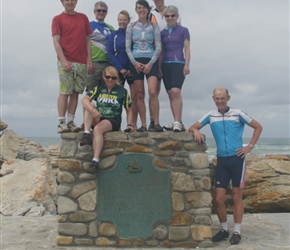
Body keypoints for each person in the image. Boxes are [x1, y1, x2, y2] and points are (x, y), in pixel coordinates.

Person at [188, 87, 263, 245]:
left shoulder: (238, 113)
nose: (220, 101)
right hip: (221, 161)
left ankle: (237, 231)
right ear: (213, 99)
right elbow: (192, 127)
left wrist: (249, 146)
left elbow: (258, 127)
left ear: (228, 98)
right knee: (219, 199)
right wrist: (196, 131)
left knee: (236, 196)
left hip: (237, 160)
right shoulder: (210, 115)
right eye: (217, 98)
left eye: (222, 98)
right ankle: (224, 229)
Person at [80, 66, 133, 174]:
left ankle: (95, 161)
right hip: (99, 116)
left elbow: (129, 110)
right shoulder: (99, 88)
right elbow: (84, 99)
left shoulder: (122, 91)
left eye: (113, 78)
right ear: (104, 77)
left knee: (98, 129)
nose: (110, 80)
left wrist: (130, 124)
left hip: (113, 120)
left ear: (116, 79)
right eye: (108, 77)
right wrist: (92, 110)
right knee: (88, 104)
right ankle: (86, 134)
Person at [52, 0, 92, 133]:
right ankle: (61, 122)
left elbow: (87, 40)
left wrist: (89, 59)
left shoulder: (83, 18)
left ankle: (70, 121)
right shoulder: (57, 19)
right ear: (62, 2)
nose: (70, 2)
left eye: (72, 0)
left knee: (76, 92)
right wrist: (63, 61)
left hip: (81, 61)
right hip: (65, 60)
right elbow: (56, 42)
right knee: (65, 91)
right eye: (67, 0)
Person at [126, 0, 163, 132]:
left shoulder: (154, 26)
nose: (141, 10)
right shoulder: (131, 26)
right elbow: (127, 47)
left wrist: (150, 64)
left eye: (143, 8)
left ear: (148, 10)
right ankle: (143, 125)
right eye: (139, 8)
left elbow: (158, 46)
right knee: (139, 94)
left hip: (150, 61)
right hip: (136, 62)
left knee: (153, 92)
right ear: (136, 10)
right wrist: (134, 63)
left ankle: (156, 123)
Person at [148, 0, 183, 131]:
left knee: (174, 92)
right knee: (153, 91)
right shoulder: (150, 13)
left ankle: (178, 121)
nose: (158, 1)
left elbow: (178, 36)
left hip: (172, 59)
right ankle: (153, 121)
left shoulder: (172, 12)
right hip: (154, 56)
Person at [160, 5, 190, 132]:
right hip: (165, 64)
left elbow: (187, 49)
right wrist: (159, 67)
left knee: (176, 92)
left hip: (178, 63)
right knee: (170, 93)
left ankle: (177, 121)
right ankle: (177, 121)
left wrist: (187, 65)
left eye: (173, 15)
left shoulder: (183, 30)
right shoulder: (162, 33)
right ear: (164, 17)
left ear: (177, 16)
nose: (170, 18)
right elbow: (161, 51)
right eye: (167, 16)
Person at [107, 10, 136, 131]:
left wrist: (129, 68)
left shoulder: (133, 34)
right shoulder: (114, 35)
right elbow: (110, 53)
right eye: (120, 19)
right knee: (116, 97)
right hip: (118, 69)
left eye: (124, 19)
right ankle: (115, 125)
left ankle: (132, 125)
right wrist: (121, 69)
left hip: (132, 68)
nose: (122, 22)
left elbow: (135, 50)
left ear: (128, 21)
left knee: (135, 97)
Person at [86, 1, 114, 91]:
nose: (101, 13)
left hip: (108, 64)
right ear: (94, 12)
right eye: (99, 10)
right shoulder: (89, 25)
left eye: (103, 11)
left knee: (105, 93)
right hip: (94, 63)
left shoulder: (111, 28)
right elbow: (83, 44)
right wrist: (88, 60)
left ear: (106, 13)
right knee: (90, 93)